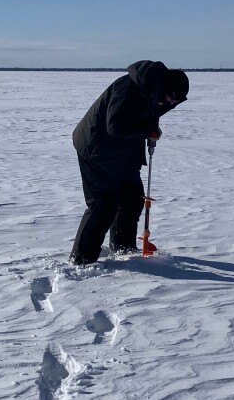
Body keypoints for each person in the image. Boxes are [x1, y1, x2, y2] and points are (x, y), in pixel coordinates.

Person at [70, 60, 189, 265]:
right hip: (96, 149)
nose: (170, 105)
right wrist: (147, 130)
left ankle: (123, 249)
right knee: (103, 205)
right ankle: (82, 259)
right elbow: (115, 126)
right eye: (171, 99)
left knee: (132, 198)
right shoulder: (129, 89)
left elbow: (148, 114)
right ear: (165, 88)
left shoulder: (152, 91)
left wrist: (152, 127)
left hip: (121, 153)